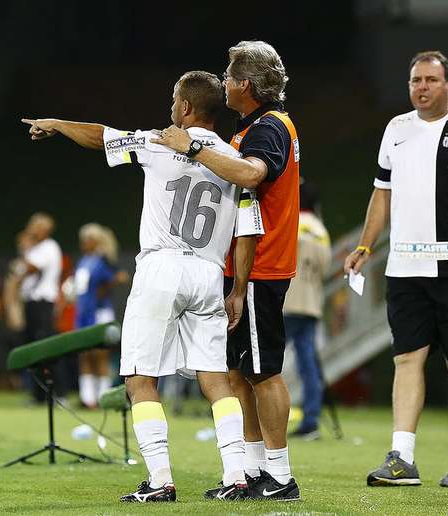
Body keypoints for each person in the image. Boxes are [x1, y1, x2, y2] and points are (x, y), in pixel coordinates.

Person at [22, 70, 263, 502]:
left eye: (174, 99)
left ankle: (160, 481)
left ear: (186, 107)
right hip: (208, 273)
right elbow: (248, 232)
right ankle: (237, 476)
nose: (170, 107)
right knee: (216, 380)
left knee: (139, 377)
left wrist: (57, 124)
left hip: (161, 267)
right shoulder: (233, 160)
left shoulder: (159, 142)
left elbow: (101, 137)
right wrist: (238, 289)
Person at [344, 50, 448, 488]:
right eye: (415, 80)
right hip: (405, 266)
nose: (421, 87)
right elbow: (381, 192)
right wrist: (365, 244)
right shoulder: (396, 129)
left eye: (430, 80)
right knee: (407, 358)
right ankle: (402, 457)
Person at [152, 40, 301, 500]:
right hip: (243, 268)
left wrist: (193, 148)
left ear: (247, 85)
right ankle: (254, 469)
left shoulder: (269, 127)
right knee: (238, 372)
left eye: (230, 76)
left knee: (263, 372)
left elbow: (253, 175)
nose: (224, 83)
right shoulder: (256, 125)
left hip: (261, 267)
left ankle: (280, 475)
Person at [283, 181, 331, 440]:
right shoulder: (321, 230)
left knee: (265, 362)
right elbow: (325, 269)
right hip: (310, 304)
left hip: (286, 301)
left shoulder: (291, 221)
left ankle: (253, 415)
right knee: (308, 365)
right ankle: (311, 420)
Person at [72, 223, 128, 409]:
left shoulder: (102, 261)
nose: (83, 243)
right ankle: (87, 398)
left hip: (99, 312)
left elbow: (117, 277)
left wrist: (106, 287)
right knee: (84, 355)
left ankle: (103, 397)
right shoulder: (83, 261)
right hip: (83, 313)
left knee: (100, 355)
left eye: (87, 240)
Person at [15, 212, 64, 401]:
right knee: (33, 348)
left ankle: (57, 391)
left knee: (46, 347)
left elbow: (31, 268)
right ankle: (38, 393)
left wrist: (24, 249)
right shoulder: (36, 248)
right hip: (32, 302)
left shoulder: (48, 247)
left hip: (44, 302)